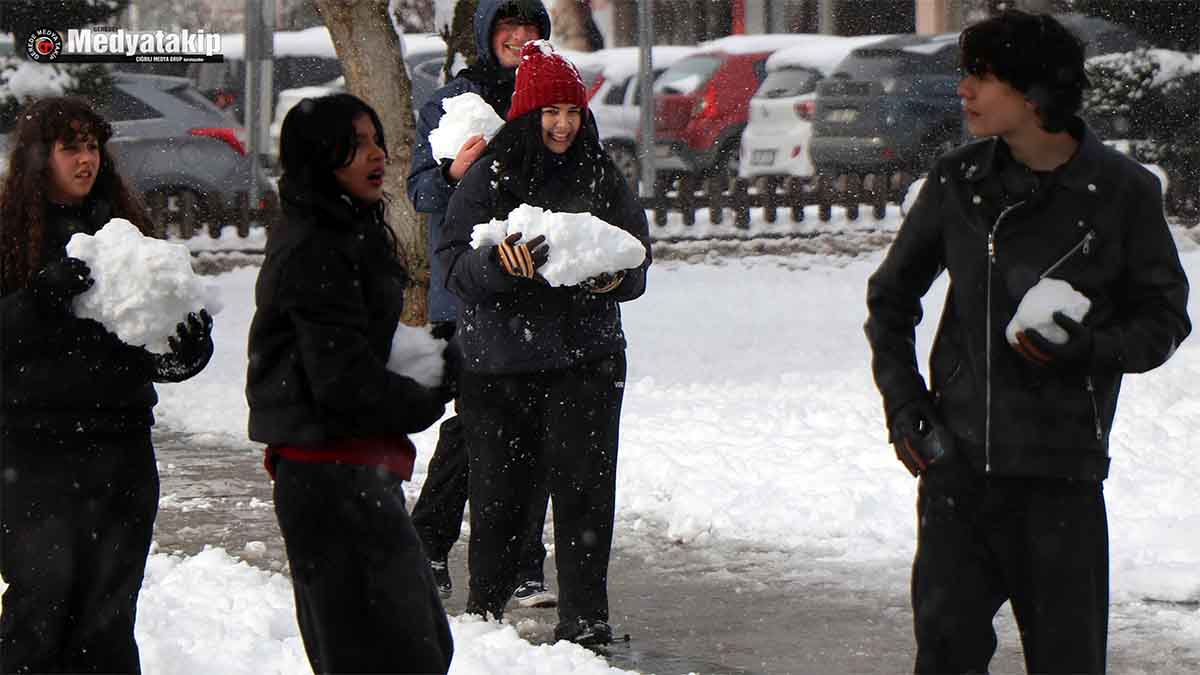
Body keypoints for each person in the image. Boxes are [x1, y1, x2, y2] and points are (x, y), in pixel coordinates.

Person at [863, 11, 1190, 674]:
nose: (963, 91)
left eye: (981, 77)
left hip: (1061, 476)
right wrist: (906, 407)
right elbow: (890, 301)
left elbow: (1164, 320)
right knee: (946, 659)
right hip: (958, 473)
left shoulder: (1123, 193)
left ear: (1034, 92)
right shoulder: (958, 182)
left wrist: (1086, 348)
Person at [436, 40, 651, 646]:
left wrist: (614, 276)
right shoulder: (489, 175)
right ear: (527, 116)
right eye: (550, 112)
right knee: (501, 496)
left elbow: (636, 258)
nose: (562, 125)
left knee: (586, 494)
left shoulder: (600, 173)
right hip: (501, 365)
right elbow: (453, 264)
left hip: (587, 360)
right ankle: (485, 617)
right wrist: (499, 267)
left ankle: (586, 620)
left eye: (573, 112)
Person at [0, 97, 214, 673]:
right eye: (70, 146)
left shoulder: (124, 233)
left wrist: (185, 351)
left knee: (107, 614)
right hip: (33, 449)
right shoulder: (8, 236)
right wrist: (36, 301)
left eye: (93, 145)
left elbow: (154, 345)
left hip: (119, 447)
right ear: (38, 157)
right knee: (41, 604)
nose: (86, 158)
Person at [246, 93, 454, 673]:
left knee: (411, 647)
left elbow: (360, 349)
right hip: (327, 475)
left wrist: (430, 355)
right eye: (356, 144)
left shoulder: (345, 229)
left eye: (376, 139)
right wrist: (432, 389)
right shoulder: (314, 245)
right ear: (319, 158)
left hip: (349, 470)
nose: (377, 155)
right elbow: (342, 384)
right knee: (388, 654)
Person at [407, 0, 558, 608]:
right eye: (508, 28)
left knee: (531, 424)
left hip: (538, 287)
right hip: (467, 292)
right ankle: (463, 549)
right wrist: (452, 171)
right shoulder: (452, 102)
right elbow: (420, 190)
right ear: (486, 35)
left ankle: (478, 553)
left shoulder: (553, 97)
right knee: (481, 424)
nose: (519, 39)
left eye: (530, 29)